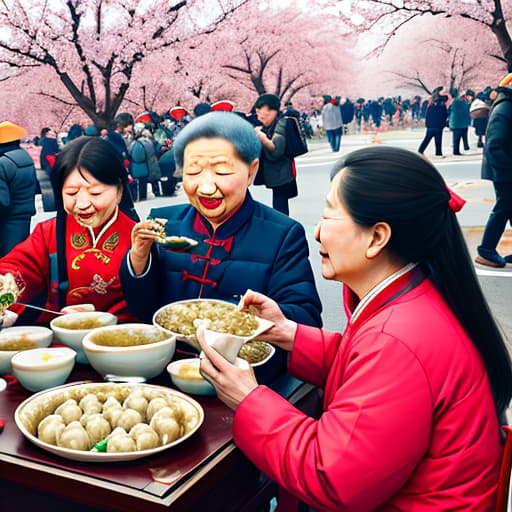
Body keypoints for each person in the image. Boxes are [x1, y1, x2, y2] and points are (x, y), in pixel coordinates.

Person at [199, 145, 512, 511]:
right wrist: (287, 333)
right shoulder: (412, 298)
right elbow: (365, 369)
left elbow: (330, 477)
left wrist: (248, 399)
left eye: (329, 215)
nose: (316, 232)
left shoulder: (398, 339)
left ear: (377, 237)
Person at [120, 111, 322, 383]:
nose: (205, 186)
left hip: (244, 376)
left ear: (251, 171)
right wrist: (139, 259)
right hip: (170, 370)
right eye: (193, 171)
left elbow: (306, 320)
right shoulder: (165, 222)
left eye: (222, 171)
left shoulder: (283, 234)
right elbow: (143, 308)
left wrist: (247, 317)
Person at [0, 136, 139, 324]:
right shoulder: (48, 233)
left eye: (95, 193)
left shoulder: (140, 237)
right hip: (61, 342)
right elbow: (19, 267)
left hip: (124, 342)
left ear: (119, 191)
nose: (82, 204)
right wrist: (6, 285)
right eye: (72, 193)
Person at [475, 73, 512, 268]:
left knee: (508, 207)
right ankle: (486, 250)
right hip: (504, 171)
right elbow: (494, 146)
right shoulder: (505, 107)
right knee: (503, 208)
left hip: (505, 168)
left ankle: (487, 249)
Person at [252, 93, 298, 216]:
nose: (259, 114)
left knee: (280, 202)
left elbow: (276, 150)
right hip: (275, 171)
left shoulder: (280, 124)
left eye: (261, 110)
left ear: (271, 110)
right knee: (279, 200)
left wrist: (260, 136)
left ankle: (283, 227)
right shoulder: (270, 124)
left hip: (281, 171)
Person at [0, 121, 37, 258]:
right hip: (25, 216)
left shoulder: (3, 163)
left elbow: (2, 201)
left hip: (7, 222)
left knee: (7, 261)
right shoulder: (24, 156)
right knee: (20, 258)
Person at [417, 92, 448, 157]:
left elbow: (427, 116)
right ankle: (438, 153)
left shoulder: (430, 106)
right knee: (438, 140)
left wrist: (428, 124)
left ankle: (420, 150)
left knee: (427, 139)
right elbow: (444, 115)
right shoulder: (442, 106)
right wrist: (443, 124)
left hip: (430, 126)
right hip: (438, 126)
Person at [448, 88, 471, 155]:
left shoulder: (453, 102)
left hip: (455, 123)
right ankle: (466, 146)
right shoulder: (464, 102)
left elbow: (449, 111)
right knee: (464, 135)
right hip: (464, 122)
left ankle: (456, 150)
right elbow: (467, 111)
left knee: (456, 138)